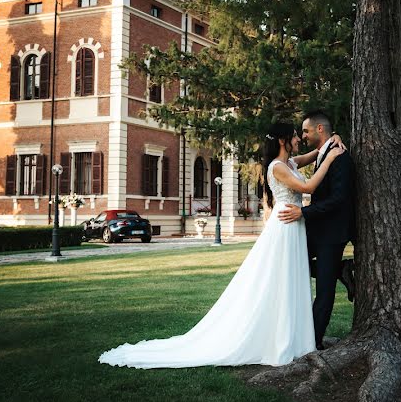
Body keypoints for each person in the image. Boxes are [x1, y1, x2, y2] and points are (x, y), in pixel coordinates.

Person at [98, 122, 344, 368]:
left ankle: (294, 337)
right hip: (285, 226)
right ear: (282, 140)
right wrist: (332, 157)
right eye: (294, 137)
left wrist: (331, 141)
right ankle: (278, 338)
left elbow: (314, 155)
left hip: (294, 224)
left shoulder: (290, 163)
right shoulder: (278, 167)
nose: (299, 140)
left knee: (290, 279)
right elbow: (308, 187)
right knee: (279, 280)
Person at [278, 110, 356, 350]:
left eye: (305, 131)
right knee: (291, 264)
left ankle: (313, 341)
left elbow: (339, 199)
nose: (302, 136)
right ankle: (340, 270)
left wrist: (304, 212)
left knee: (324, 290)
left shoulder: (340, 157)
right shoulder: (321, 154)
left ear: (319, 130)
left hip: (332, 232)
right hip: (315, 228)